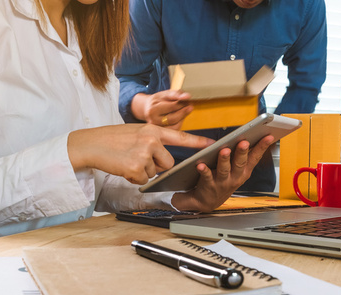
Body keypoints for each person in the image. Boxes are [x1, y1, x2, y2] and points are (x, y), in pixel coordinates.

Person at [0, 0, 275, 255]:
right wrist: (76, 148)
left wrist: (180, 200)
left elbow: (101, 184)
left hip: (62, 258)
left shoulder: (85, 27)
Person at [116, 0, 328, 192]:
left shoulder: (306, 5)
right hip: (169, 168)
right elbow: (124, 77)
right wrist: (143, 105)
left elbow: (306, 85)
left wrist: (273, 135)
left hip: (250, 173)